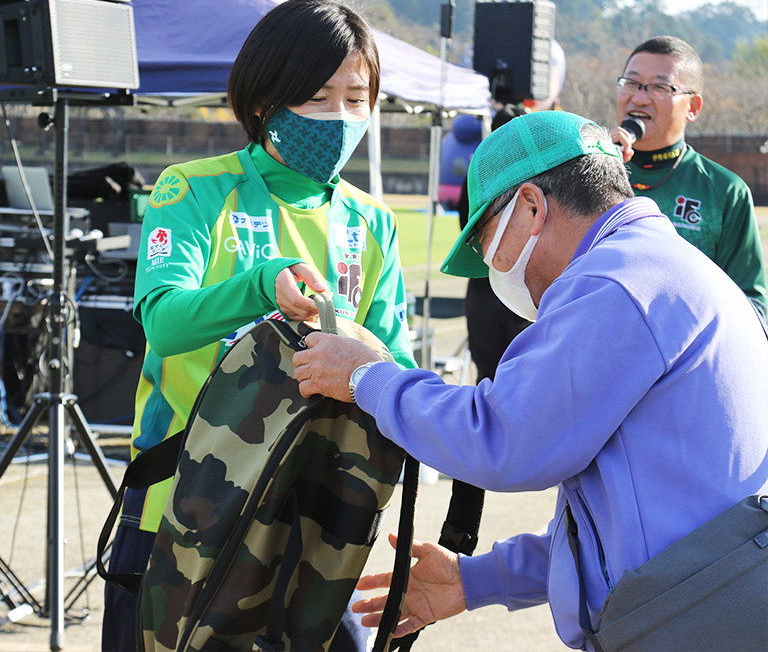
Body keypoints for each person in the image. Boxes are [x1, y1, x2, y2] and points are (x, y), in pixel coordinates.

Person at [291, 110, 768, 649]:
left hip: (686, 623)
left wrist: (365, 377)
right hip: (705, 603)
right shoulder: (665, 267)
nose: (495, 271)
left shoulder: (615, 283)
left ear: (532, 206)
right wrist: (478, 580)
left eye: (488, 242)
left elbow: (500, 438)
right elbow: (626, 522)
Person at [101, 0, 416, 651]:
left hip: (315, 527)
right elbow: (163, 322)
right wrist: (257, 284)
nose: (339, 118)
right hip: (181, 514)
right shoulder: (192, 191)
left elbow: (399, 372)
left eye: (356, 99)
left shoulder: (372, 223)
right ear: (263, 100)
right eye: (318, 96)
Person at [611, 35, 767, 320]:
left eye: (659, 87)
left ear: (693, 107)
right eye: (631, 83)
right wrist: (598, 164)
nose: (639, 97)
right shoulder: (583, 170)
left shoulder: (725, 191)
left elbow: (753, 307)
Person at [457, 104, 530, 382]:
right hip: (487, 282)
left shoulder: (537, 171)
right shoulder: (479, 171)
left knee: (517, 375)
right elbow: (465, 222)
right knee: (491, 374)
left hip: (517, 285)